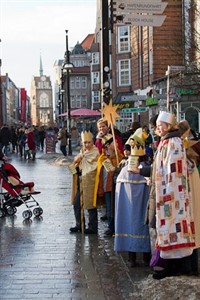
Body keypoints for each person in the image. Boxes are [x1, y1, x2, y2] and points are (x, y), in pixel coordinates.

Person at [152, 111, 196, 279]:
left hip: (173, 193)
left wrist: (169, 191)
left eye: (160, 125)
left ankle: (176, 266)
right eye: (156, 126)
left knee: (174, 226)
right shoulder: (166, 142)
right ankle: (174, 265)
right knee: (169, 227)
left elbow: (174, 169)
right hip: (166, 191)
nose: (157, 128)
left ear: (169, 126)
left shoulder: (173, 143)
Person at [114, 130, 151, 267]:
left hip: (139, 204)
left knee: (133, 223)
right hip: (136, 205)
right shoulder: (130, 168)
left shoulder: (145, 168)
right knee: (137, 224)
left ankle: (135, 258)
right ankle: (139, 257)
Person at [69, 131, 99, 234]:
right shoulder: (81, 153)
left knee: (90, 204)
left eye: (89, 142)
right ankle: (79, 224)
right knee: (77, 203)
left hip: (90, 182)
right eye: (85, 142)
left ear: (92, 142)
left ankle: (92, 227)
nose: (87, 145)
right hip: (81, 182)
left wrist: (82, 159)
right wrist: (75, 167)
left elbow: (94, 167)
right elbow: (75, 166)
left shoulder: (95, 152)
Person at [93, 133, 124, 236]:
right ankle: (111, 227)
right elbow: (109, 170)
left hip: (118, 185)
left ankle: (119, 227)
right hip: (108, 186)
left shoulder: (119, 155)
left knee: (118, 207)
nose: (116, 143)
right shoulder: (103, 158)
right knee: (110, 208)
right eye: (113, 142)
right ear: (108, 145)